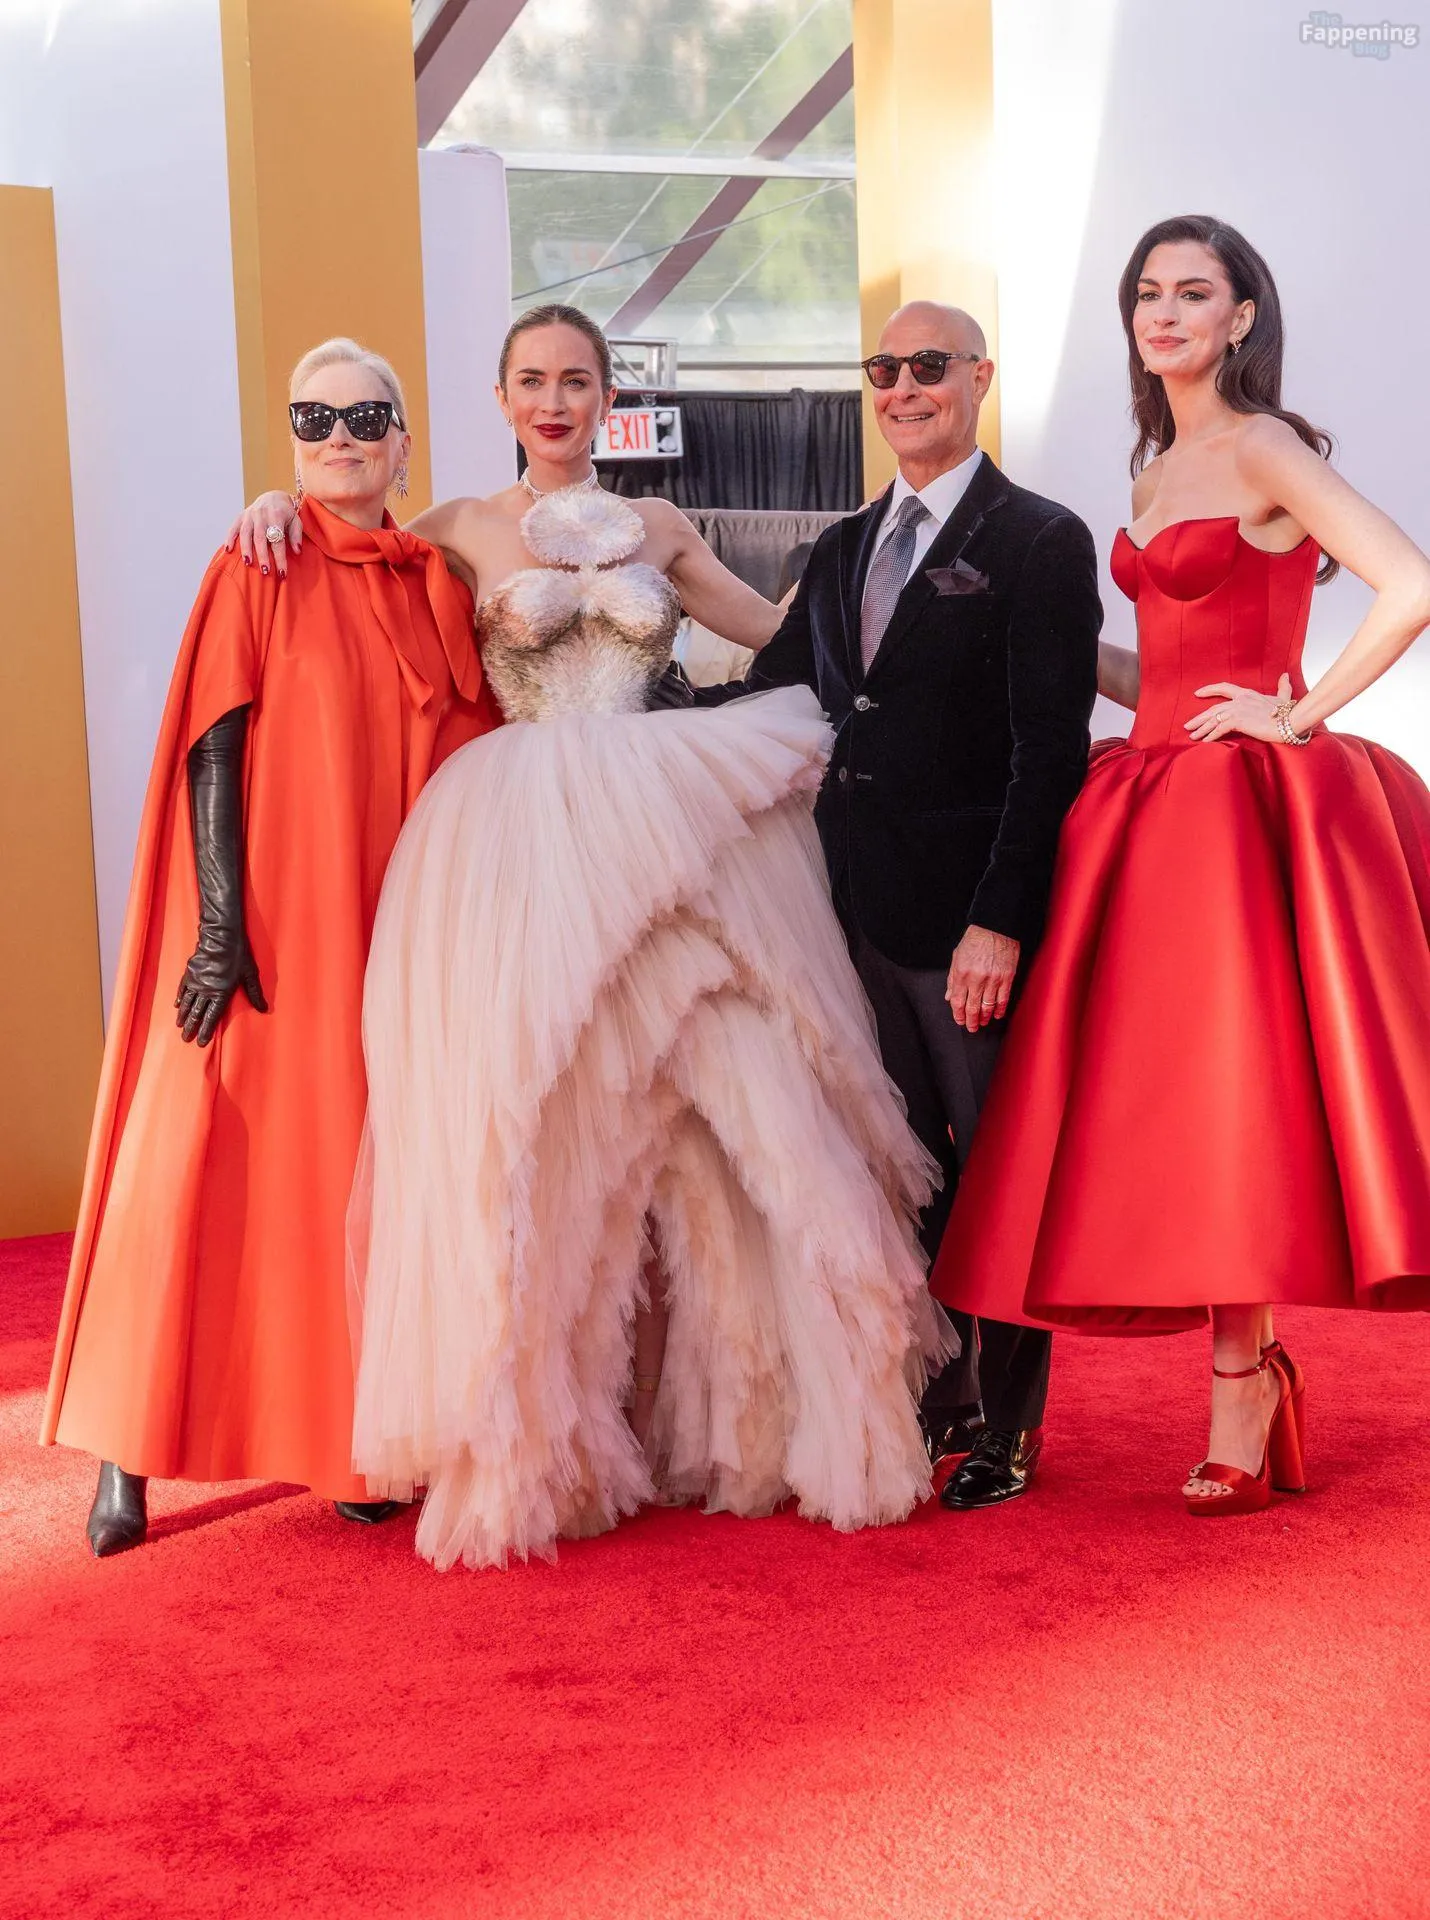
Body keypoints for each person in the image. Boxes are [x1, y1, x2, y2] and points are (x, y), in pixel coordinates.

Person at [232, 304, 951, 1570]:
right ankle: (545, 1439)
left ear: (608, 398)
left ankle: (770, 1418)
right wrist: (274, 506)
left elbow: (776, 630)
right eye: (532, 380)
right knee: (547, 1122)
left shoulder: (659, 525)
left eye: (576, 380)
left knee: (735, 1097)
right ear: (501, 398)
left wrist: (898, 565)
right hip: (517, 842)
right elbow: (349, 551)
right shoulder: (453, 527)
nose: (554, 401)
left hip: (663, 816)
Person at [931, 216, 1430, 1514]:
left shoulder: (1263, 447)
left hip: (1232, 815)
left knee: (1237, 1089)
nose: (1162, 313)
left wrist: (1295, 711)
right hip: (1148, 799)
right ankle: (1245, 1377)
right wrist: (1036, 657)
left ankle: (1238, 1388)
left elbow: (1407, 582)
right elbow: (1157, 670)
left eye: (1191, 293)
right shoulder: (1153, 471)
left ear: (1239, 317)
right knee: (1185, 1100)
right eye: (1146, 293)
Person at [42, 338, 503, 1555]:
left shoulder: (438, 579)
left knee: (344, 1175)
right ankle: (126, 1449)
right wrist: (215, 925)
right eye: (314, 419)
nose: (340, 437)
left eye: (364, 417)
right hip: (264, 917)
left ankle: (348, 1440)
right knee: (190, 1164)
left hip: (384, 922)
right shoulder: (258, 559)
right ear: (291, 442)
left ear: (404, 441)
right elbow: (216, 735)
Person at [699, 302, 1102, 1509]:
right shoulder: (838, 547)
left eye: (928, 365)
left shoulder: (1038, 538)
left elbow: (1048, 752)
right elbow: (775, 695)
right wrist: (618, 714)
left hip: (966, 924)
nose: (903, 387)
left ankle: (1009, 1429)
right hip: (847, 914)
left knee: (996, 1172)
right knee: (903, 1171)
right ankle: (943, 1397)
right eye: (883, 368)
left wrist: (1000, 921)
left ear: (979, 377)